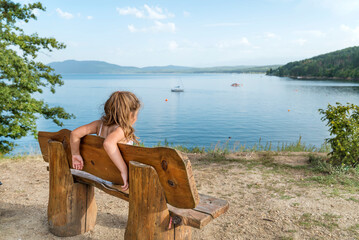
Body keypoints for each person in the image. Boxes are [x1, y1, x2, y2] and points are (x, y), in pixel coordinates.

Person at [70, 91, 141, 191]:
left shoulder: (99, 125)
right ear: (130, 114)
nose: (136, 118)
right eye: (136, 114)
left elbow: (74, 134)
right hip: (118, 178)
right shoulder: (122, 130)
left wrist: (75, 154)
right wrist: (124, 170)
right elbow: (108, 143)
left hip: (101, 173)